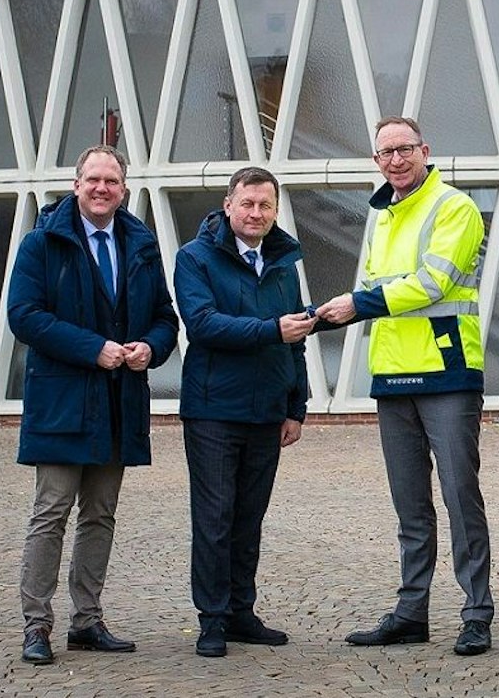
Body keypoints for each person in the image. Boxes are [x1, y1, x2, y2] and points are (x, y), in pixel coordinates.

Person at [314, 117, 494, 656]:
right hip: (393, 374)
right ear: (376, 160)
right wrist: (332, 312)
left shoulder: (454, 207)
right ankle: (412, 612)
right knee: (410, 505)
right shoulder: (381, 216)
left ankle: (476, 614)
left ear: (425, 150)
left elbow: (433, 283)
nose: (395, 159)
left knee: (460, 497)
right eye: (385, 152)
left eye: (403, 149)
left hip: (447, 371)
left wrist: (359, 302)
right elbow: (376, 287)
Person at [6, 145, 179, 666]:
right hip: (61, 400)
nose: (102, 188)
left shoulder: (140, 243)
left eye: (112, 181)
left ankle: (87, 620)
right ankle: (37, 625)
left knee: (100, 515)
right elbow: (24, 316)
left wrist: (151, 348)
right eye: (93, 180)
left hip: (119, 400)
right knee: (51, 512)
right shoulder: (42, 242)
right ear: (76, 184)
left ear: (124, 189)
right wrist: (92, 348)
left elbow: (165, 316)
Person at [172, 167, 315, 658]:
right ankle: (212, 619)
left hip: (267, 410)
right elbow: (202, 324)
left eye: (265, 205)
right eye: (248, 203)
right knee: (214, 518)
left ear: (275, 211)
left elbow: (297, 342)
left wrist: (296, 407)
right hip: (213, 409)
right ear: (228, 205)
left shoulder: (283, 263)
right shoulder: (194, 258)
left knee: (249, 518)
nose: (256, 213)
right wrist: (271, 330)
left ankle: (240, 612)